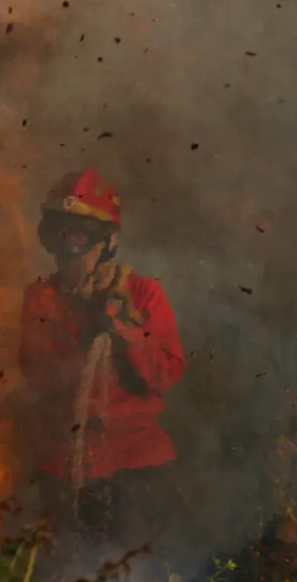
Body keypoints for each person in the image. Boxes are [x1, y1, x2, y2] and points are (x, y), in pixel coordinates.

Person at [18, 167, 186, 549]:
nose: (68, 251)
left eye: (78, 237)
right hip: (64, 469)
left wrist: (124, 331)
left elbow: (165, 374)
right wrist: (84, 331)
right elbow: (39, 376)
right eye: (58, 236)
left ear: (106, 242)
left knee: (136, 580)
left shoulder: (143, 295)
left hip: (135, 468)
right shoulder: (41, 298)